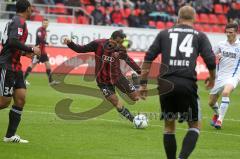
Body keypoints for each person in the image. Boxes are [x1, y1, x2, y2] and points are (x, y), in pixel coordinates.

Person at [139, 6, 216, 159]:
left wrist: (143, 84)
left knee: (169, 126)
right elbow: (210, 60)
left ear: (178, 18)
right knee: (194, 126)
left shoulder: (164, 34)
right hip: (187, 85)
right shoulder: (200, 36)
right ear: (194, 18)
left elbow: (148, 58)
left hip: (166, 85)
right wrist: (212, 78)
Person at [63, 30, 141, 122]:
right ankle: (134, 120)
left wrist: (139, 71)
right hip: (103, 81)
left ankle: (135, 83)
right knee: (115, 101)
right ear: (111, 39)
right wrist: (70, 43)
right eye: (118, 42)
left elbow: (127, 59)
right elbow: (81, 49)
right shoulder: (98, 44)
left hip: (117, 77)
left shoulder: (121, 48)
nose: (120, 44)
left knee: (135, 98)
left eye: (121, 42)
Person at [0, 0, 40, 143]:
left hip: (16, 67)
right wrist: (30, 49)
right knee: (4, 102)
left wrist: (24, 54)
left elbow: (10, 44)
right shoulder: (19, 21)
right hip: (8, 66)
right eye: (31, 8)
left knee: (21, 99)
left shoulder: (18, 21)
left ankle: (9, 136)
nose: (32, 11)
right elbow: (11, 41)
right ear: (28, 8)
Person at [209, 23, 240, 129]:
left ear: (236, 32)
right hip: (220, 76)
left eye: (230, 32)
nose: (228, 34)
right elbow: (210, 55)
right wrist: (215, 56)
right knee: (211, 102)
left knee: (226, 92)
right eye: (226, 32)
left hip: (234, 76)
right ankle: (217, 114)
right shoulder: (220, 44)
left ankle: (219, 121)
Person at [24, 19, 59, 85]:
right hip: (38, 51)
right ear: (42, 23)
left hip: (43, 52)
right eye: (44, 23)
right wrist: (47, 43)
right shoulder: (39, 30)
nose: (45, 24)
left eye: (47, 23)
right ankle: (23, 79)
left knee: (48, 65)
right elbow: (40, 39)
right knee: (32, 65)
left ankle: (51, 81)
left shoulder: (45, 31)